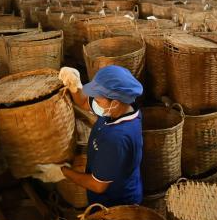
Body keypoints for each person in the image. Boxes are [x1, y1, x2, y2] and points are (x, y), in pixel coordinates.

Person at [34, 65, 144, 207]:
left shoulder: (116, 138)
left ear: (115, 103)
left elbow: (97, 185)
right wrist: (75, 85)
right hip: (115, 182)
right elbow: (84, 102)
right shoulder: (124, 107)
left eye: (98, 100)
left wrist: (62, 171)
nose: (94, 101)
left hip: (115, 202)